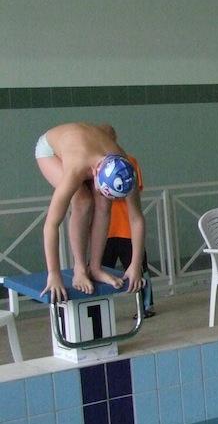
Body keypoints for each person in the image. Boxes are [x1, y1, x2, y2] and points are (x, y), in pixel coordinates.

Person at [36, 122, 146, 302]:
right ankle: (79, 268)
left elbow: (137, 219)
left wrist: (135, 265)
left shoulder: (126, 169)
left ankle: (95, 268)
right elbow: (51, 224)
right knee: (83, 200)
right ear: (95, 172)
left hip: (86, 143)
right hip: (50, 150)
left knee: (104, 203)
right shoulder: (76, 169)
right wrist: (54, 274)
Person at [101, 128, 155, 319]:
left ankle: (145, 306)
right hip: (105, 231)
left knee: (138, 268)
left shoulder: (128, 162)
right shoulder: (98, 166)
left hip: (127, 228)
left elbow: (133, 191)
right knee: (100, 270)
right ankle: (100, 307)